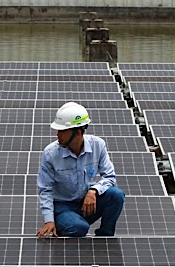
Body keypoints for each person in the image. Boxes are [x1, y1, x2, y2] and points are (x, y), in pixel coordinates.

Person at [37, 102, 125, 238]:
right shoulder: (51, 154)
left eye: (62, 131)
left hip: (87, 202)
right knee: (78, 228)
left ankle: (104, 238)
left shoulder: (98, 145)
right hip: (63, 207)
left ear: (77, 132)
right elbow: (45, 189)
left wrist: (94, 190)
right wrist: (49, 220)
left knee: (116, 195)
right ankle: (67, 224)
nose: (57, 135)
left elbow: (110, 176)